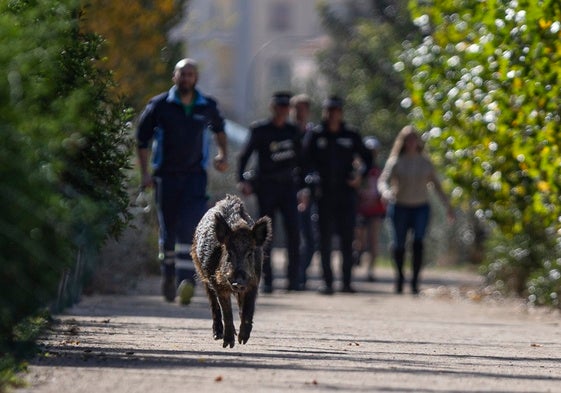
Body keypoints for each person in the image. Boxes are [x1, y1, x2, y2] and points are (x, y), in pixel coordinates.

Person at [136, 58, 228, 304]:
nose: (186, 78)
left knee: (191, 229)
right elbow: (141, 140)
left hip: (195, 178)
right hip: (165, 177)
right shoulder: (159, 106)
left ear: (195, 78)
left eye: (190, 74)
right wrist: (145, 173)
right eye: (182, 74)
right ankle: (168, 275)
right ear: (174, 77)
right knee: (169, 231)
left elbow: (220, 129)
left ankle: (185, 281)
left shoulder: (206, 105)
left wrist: (222, 154)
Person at [304, 95, 372, 294]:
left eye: (336, 111)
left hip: (346, 195)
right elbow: (304, 163)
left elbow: (368, 160)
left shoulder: (351, 135)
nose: (332, 115)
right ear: (325, 112)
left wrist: (360, 175)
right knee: (323, 240)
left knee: (346, 238)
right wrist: (309, 181)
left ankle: (347, 281)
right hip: (323, 195)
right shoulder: (316, 135)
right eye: (329, 111)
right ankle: (327, 282)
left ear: (341, 113)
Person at [237, 91, 302, 293]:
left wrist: (305, 186)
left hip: (289, 187)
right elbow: (244, 156)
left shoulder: (293, 131)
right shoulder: (260, 130)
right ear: (273, 108)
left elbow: (303, 161)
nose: (282, 110)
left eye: (286, 106)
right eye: (279, 106)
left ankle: (293, 280)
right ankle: (267, 280)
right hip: (266, 187)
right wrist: (242, 180)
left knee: (294, 232)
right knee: (265, 236)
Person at [378, 125, 454, 294]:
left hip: (420, 207)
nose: (411, 143)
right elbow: (383, 180)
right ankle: (399, 277)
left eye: (414, 139)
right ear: (403, 142)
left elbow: (437, 186)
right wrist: (385, 191)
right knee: (398, 244)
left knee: (418, 243)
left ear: (418, 142)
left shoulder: (425, 163)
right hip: (400, 206)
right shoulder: (396, 161)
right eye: (408, 140)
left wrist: (448, 206)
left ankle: (415, 282)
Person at [290, 94, 318, 290]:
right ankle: (293, 274)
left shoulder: (314, 134)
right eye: (296, 108)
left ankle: (301, 271)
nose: (299, 112)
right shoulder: (286, 132)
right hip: (287, 190)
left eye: (303, 108)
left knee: (309, 236)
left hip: (308, 192)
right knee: (293, 235)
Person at [354, 136, 386, 282]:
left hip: (376, 210)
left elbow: (383, 187)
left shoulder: (379, 171)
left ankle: (371, 271)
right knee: (359, 239)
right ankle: (357, 255)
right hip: (360, 209)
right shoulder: (357, 170)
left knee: (373, 240)